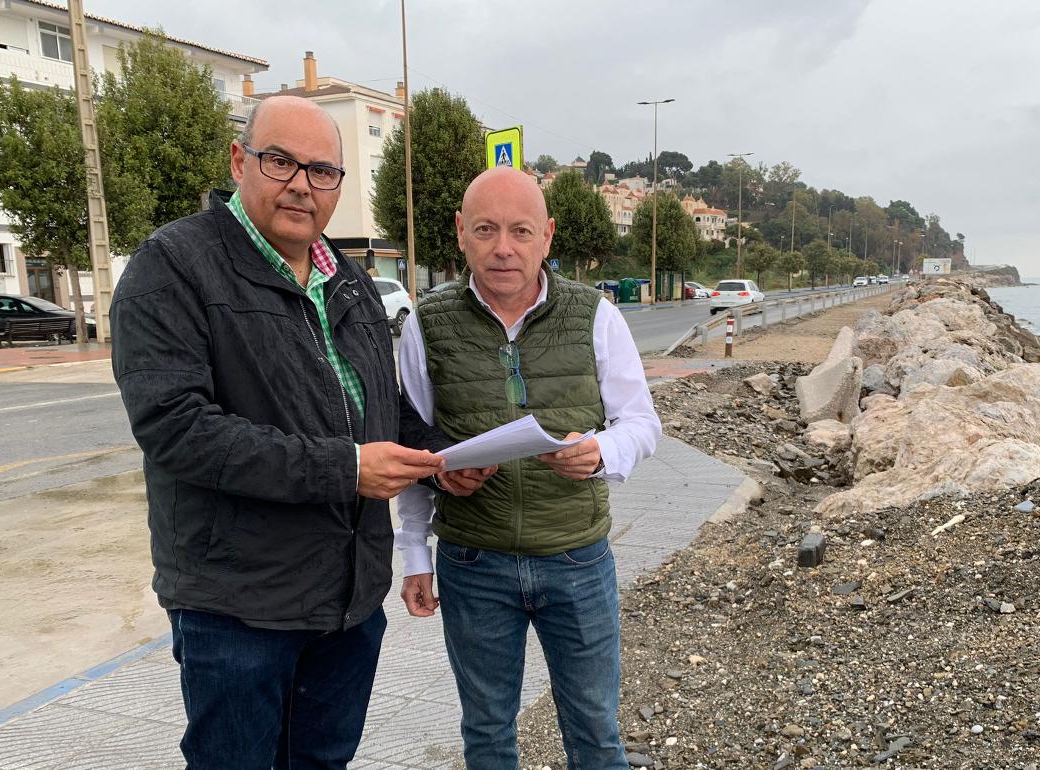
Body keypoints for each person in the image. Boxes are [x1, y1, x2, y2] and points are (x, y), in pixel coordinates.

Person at [111, 95, 487, 770]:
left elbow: (382, 412)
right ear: (239, 161)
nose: (300, 184)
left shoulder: (354, 285)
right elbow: (177, 429)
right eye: (279, 161)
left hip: (347, 602)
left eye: (321, 171)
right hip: (237, 606)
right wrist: (345, 469)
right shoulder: (173, 267)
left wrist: (439, 458)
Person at [395, 166, 662, 769]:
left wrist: (601, 455)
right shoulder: (425, 324)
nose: (503, 248)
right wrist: (415, 554)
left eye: (520, 231)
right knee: (487, 734)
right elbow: (412, 445)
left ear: (548, 235)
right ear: (461, 232)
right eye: (486, 230)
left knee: (595, 734)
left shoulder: (596, 315)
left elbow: (642, 423)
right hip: (472, 562)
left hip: (577, 558)